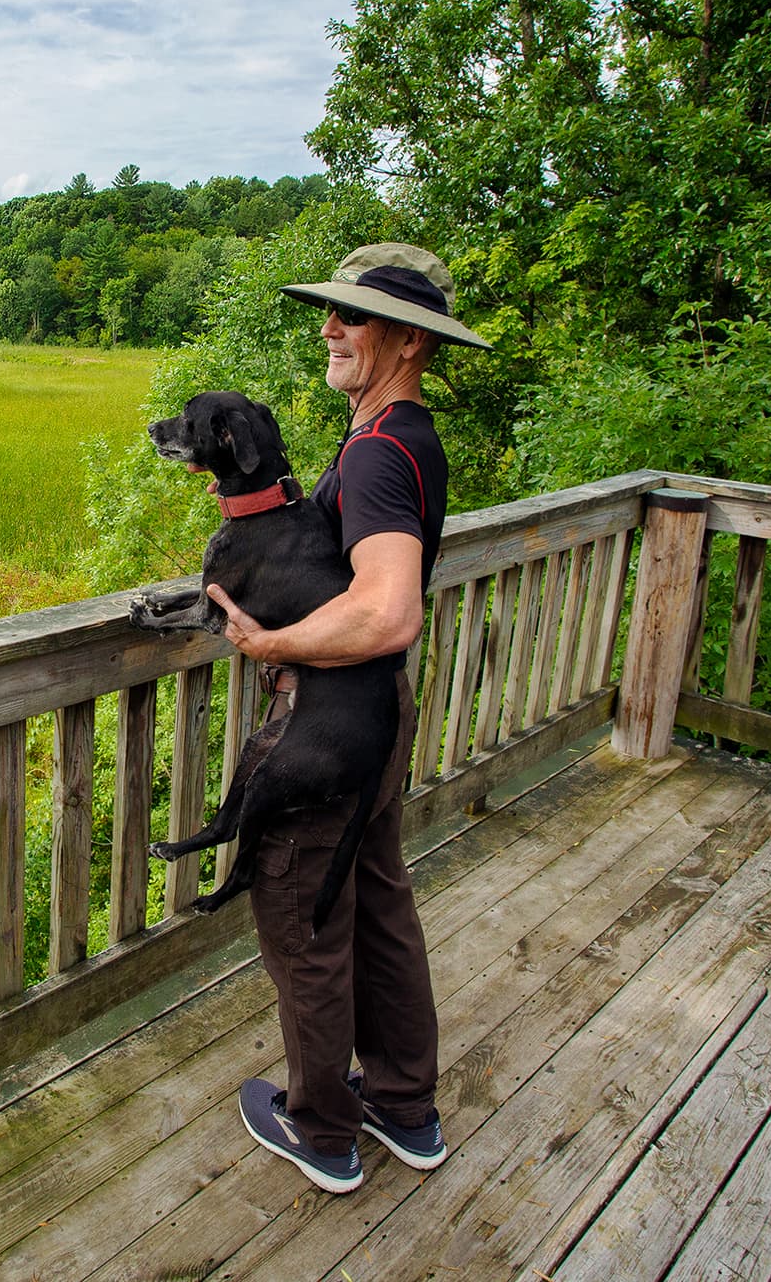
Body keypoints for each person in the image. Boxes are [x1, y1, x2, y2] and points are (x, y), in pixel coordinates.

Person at [206, 242, 490, 1193]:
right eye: (330, 312)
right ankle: (405, 1108)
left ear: (408, 340)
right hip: (376, 721)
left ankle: (323, 1129)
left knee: (303, 918)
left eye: (351, 316)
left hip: (331, 733)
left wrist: (270, 645)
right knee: (377, 902)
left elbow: (385, 609)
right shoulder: (406, 435)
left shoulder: (376, 456)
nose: (329, 328)